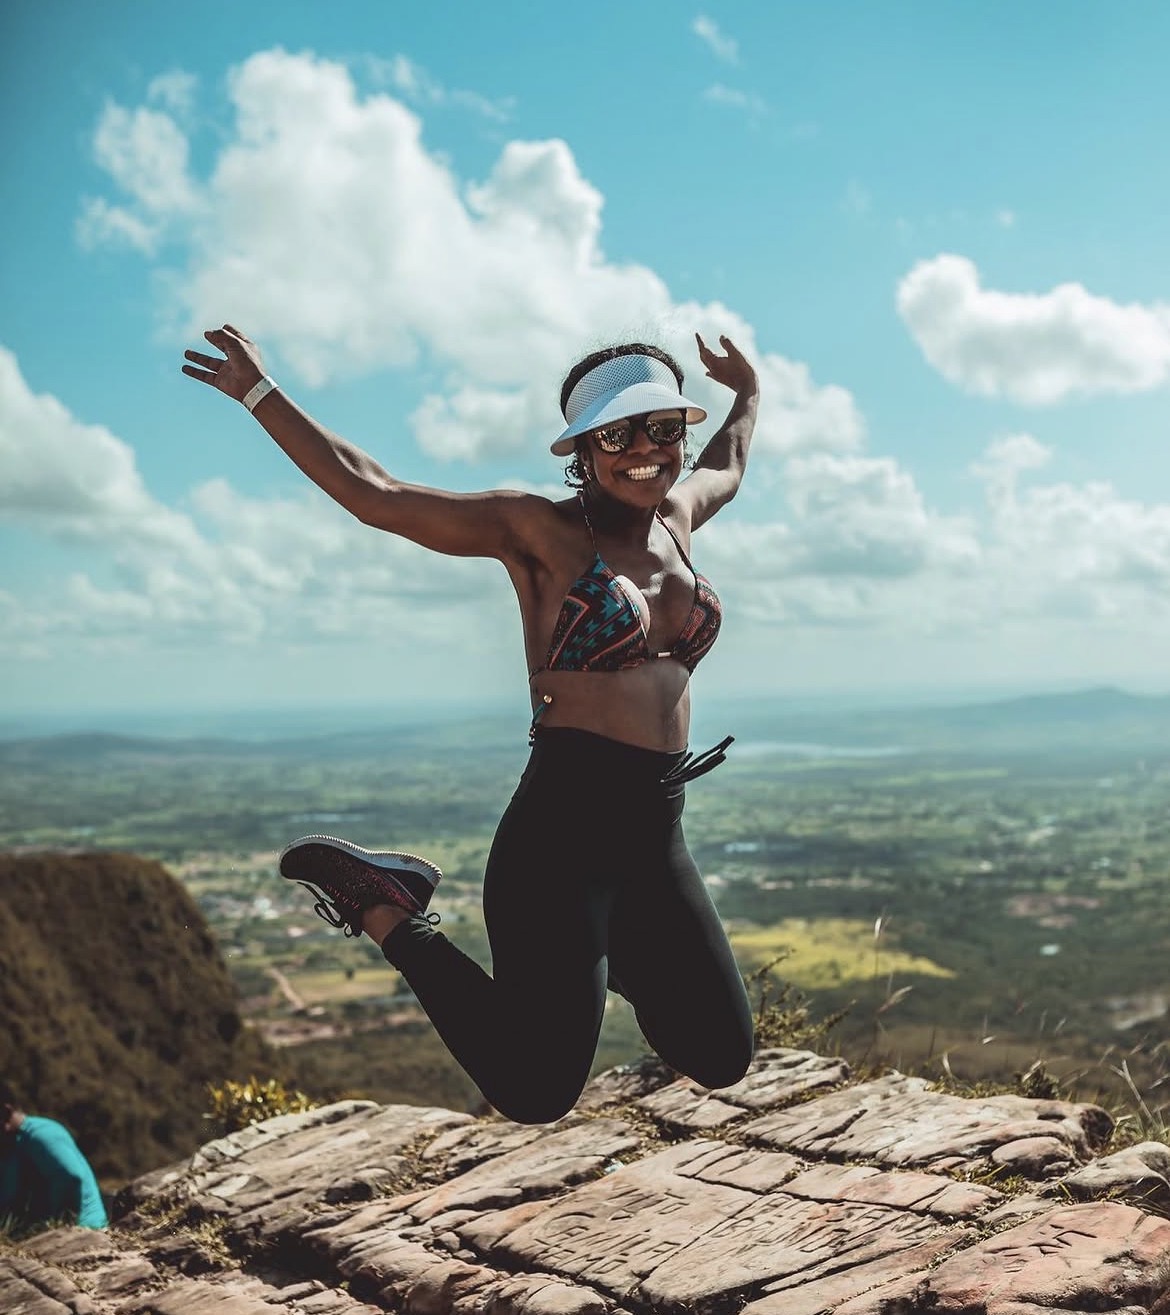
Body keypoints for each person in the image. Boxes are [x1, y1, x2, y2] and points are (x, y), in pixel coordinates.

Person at [182, 325, 760, 1123]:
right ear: (583, 450)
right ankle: (385, 904)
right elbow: (374, 493)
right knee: (534, 1090)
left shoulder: (679, 519)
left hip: (656, 838)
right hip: (560, 841)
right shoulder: (537, 531)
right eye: (617, 432)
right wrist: (257, 392)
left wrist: (749, 392)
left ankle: (610, 956)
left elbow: (728, 460)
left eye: (663, 427)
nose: (644, 449)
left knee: (722, 1053)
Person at [0, 1084, 108, 1232]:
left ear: (5, 1112)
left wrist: (48, 1225)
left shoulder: (41, 1135)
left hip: (83, 1231)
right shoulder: (10, 1145)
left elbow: (70, 1177)